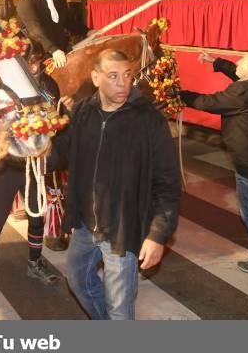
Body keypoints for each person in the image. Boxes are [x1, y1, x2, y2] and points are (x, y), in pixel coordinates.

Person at [49, 49, 181, 319]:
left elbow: (168, 183)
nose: (123, 83)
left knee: (120, 310)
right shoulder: (84, 112)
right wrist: (33, 139)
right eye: (113, 76)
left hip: (122, 230)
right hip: (85, 225)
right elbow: (59, 155)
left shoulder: (149, 121)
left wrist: (158, 234)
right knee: (78, 281)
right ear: (96, 78)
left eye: (127, 75)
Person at [180, 49, 248, 275]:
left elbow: (209, 102)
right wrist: (215, 61)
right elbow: (238, 74)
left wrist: (178, 94)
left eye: (242, 60)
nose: (238, 62)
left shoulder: (242, 91)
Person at [0, 45, 74, 286]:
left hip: (34, 164)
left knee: (36, 215)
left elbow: (55, 124)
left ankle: (35, 262)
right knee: (0, 214)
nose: (33, 68)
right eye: (28, 62)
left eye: (37, 62)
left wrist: (66, 113)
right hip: (8, 162)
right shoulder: (6, 86)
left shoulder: (48, 86)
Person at [16, 0, 96, 69]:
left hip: (60, 54)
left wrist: (88, 31)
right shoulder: (27, 1)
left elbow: (69, 22)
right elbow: (35, 31)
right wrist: (53, 50)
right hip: (36, 59)